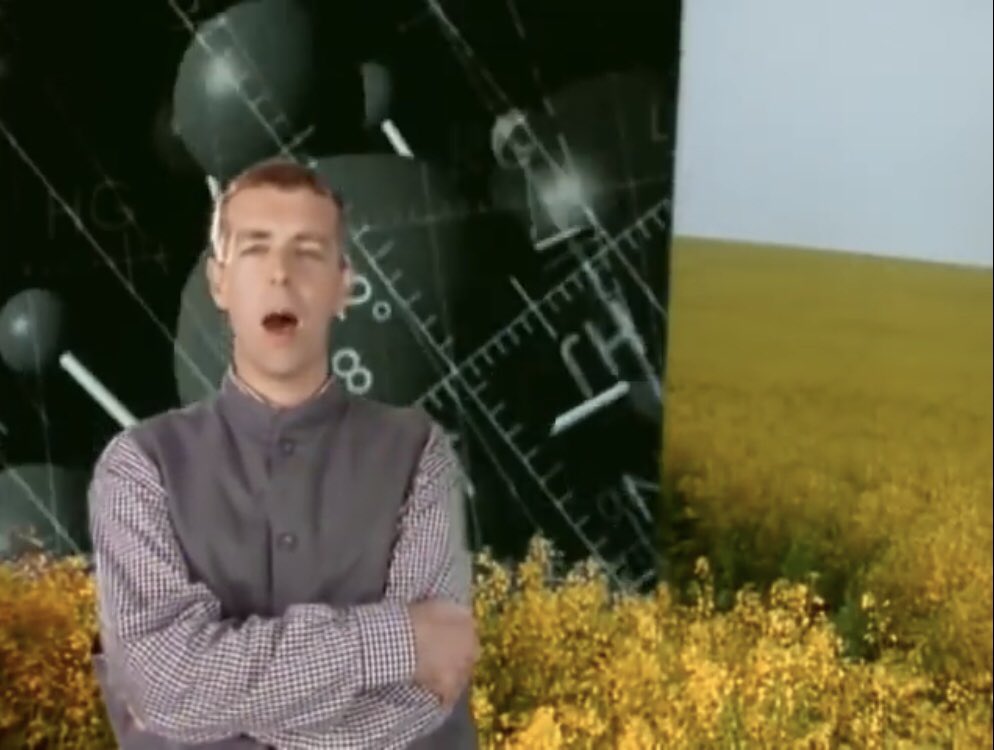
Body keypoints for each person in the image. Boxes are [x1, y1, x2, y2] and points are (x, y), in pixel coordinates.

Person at [88, 158, 480, 749]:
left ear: (342, 285)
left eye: (308, 252)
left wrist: (210, 712)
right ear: (219, 283)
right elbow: (164, 681)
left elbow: (423, 696)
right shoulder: (139, 467)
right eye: (255, 249)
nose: (280, 275)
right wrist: (396, 643)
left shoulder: (419, 454)